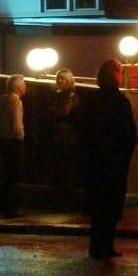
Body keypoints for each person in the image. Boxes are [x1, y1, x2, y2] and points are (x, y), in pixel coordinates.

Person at [76, 59, 138, 260]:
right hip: (114, 163)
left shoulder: (91, 100)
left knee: (98, 206)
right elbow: (129, 135)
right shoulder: (120, 102)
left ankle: (97, 245)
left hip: (96, 162)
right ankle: (107, 244)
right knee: (111, 206)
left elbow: (83, 131)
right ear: (115, 75)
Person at [0, 74, 27, 217]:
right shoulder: (15, 101)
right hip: (13, 141)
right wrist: (20, 135)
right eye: (24, 84)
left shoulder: (2, 99)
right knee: (13, 175)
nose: (25, 87)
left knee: (5, 174)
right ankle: (11, 208)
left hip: (2, 139)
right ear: (18, 87)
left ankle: (1, 205)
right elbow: (17, 124)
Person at [50, 69, 80, 204]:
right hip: (61, 133)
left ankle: (66, 194)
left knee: (66, 163)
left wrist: (55, 111)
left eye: (62, 79)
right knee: (59, 162)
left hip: (67, 134)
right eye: (59, 79)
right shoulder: (59, 95)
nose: (60, 81)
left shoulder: (70, 95)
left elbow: (64, 112)